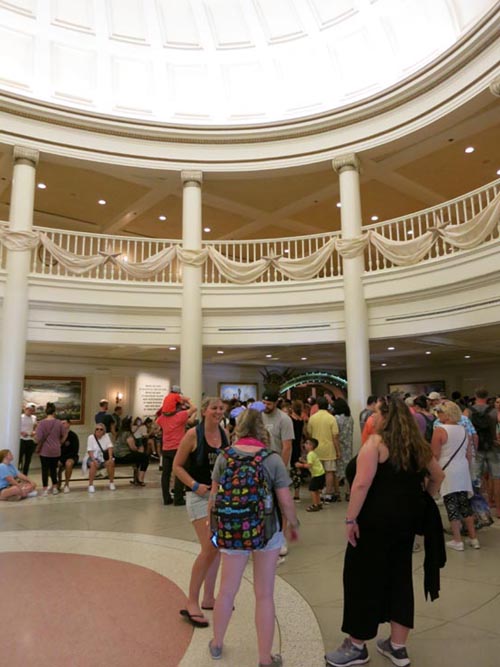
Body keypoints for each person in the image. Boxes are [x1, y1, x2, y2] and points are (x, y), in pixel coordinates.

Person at [325, 398, 444, 667]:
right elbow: (438, 476)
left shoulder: (375, 444)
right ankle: (397, 647)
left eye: (376, 413)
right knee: (400, 577)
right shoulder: (417, 446)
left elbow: (361, 484)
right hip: (404, 524)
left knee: (361, 579)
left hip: (373, 523)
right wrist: (423, 499)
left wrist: (350, 519)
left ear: (386, 417)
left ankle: (357, 645)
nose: (373, 417)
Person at [208, 407, 300, 666]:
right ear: (262, 430)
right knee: (264, 594)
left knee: (226, 591)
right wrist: (293, 524)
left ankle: (216, 643)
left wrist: (213, 527)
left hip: (232, 529)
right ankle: (264, 658)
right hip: (267, 531)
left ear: (238, 429)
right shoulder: (272, 459)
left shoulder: (225, 456)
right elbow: (286, 501)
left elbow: (214, 497)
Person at [173, 397, 229, 627]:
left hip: (219, 497)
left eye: (221, 408)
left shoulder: (225, 434)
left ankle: (208, 597)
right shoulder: (192, 435)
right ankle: (192, 601)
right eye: (214, 408)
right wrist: (194, 485)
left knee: (216, 548)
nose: (218, 411)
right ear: (204, 411)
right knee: (209, 548)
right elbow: (177, 466)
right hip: (198, 498)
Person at [432, 401, 479, 551]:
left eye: (440, 412)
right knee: (465, 504)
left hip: (447, 470)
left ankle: (457, 540)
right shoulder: (463, 429)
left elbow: (435, 454)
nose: (438, 414)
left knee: (451, 504)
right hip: (462, 469)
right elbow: (469, 454)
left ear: (447, 414)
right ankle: (473, 538)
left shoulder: (439, 430)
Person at [261, 390, 295, 557]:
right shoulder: (259, 417)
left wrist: (280, 469)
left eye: (269, 403)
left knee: (281, 504)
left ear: (276, 403)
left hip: (278, 467)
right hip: (261, 466)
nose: (266, 406)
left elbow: (287, 446)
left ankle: (281, 538)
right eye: (264, 403)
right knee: (264, 504)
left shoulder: (284, 419)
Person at [157, 396, 197, 505]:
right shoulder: (180, 416)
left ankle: (166, 498)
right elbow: (194, 408)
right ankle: (178, 498)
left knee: (166, 474)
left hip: (166, 449)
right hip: (178, 449)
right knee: (180, 471)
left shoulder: (162, 419)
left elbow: (158, 418)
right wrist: (187, 400)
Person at [306, 396, 340, 502]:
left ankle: (318, 492)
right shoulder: (331, 418)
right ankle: (328, 494)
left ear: (318, 406)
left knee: (317, 472)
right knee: (329, 471)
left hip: (315, 449)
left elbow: (309, 433)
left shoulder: (312, 418)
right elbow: (335, 436)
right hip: (329, 448)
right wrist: (338, 451)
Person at [35, 402, 67, 496]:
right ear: (54, 412)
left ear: (46, 412)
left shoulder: (41, 423)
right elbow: (65, 434)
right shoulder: (59, 423)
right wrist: (60, 443)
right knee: (53, 469)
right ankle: (55, 488)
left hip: (44, 450)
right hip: (56, 450)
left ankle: (45, 489)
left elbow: (38, 438)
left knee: (45, 470)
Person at [113, 416, 150, 486]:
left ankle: (136, 478)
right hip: (124, 456)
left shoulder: (120, 433)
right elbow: (132, 447)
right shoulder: (128, 434)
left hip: (117, 455)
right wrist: (138, 449)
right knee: (145, 457)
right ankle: (140, 479)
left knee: (138, 457)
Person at [295, 437, 325, 512]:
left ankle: (315, 505)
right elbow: (311, 463)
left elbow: (309, 465)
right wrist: (303, 461)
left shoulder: (310, 454)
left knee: (312, 490)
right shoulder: (312, 454)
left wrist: (300, 465)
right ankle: (318, 503)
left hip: (316, 475)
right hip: (320, 473)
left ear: (311, 446)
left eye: (307, 443)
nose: (304, 445)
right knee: (316, 490)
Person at [85, 423, 116, 493]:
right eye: (97, 429)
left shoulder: (106, 436)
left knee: (111, 463)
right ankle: (91, 485)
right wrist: (94, 460)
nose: (99, 431)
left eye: (101, 429)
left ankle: (111, 482)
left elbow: (110, 447)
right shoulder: (91, 437)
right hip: (93, 457)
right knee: (93, 464)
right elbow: (90, 451)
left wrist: (110, 458)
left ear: (104, 431)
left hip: (103, 458)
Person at [334, 397, 354, 496]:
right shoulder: (350, 418)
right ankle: (348, 492)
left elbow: (335, 435)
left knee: (337, 471)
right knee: (347, 470)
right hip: (348, 446)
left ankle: (337, 492)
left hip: (339, 446)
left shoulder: (336, 419)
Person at [58, 417, 80, 493]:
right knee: (53, 464)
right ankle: (57, 483)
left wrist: (62, 459)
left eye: (64, 423)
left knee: (68, 463)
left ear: (69, 424)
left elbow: (75, 451)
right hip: (60, 457)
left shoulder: (73, 436)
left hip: (71, 456)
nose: (62, 425)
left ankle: (66, 484)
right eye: (61, 423)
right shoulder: (58, 435)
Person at [290, 399, 305, 502]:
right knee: (297, 471)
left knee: (289, 468)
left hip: (291, 445)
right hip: (298, 446)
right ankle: (297, 493)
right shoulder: (301, 420)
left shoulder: (290, 420)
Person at [19, 402, 37, 475]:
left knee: (28, 459)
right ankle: (17, 475)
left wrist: (34, 432)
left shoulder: (34, 417)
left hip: (30, 440)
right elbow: (16, 427)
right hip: (21, 439)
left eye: (33, 410)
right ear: (25, 409)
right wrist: (21, 433)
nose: (31, 412)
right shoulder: (20, 417)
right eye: (29, 410)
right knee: (19, 458)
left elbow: (35, 427)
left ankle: (25, 475)